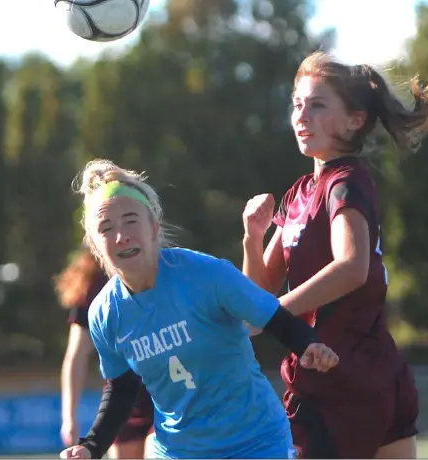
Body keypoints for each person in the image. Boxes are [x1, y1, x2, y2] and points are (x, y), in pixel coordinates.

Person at [242, 51, 428, 459]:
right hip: (356, 376)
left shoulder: (345, 181)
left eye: (317, 104)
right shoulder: (298, 194)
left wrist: (273, 316)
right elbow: (258, 293)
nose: (301, 115)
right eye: (297, 105)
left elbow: (351, 267)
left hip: (340, 383)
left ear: (355, 120)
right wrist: (252, 239)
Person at [59, 159, 339, 460]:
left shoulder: (206, 274)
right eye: (106, 227)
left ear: (153, 226)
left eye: (130, 220)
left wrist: (307, 344)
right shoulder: (104, 313)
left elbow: (273, 317)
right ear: (95, 245)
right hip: (180, 452)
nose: (120, 235)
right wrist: (90, 447)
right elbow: (122, 390)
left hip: (256, 442)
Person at [55, 249, 155, 459]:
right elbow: (76, 355)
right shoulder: (94, 287)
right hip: (125, 403)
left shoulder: (164, 270)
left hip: (168, 397)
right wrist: (69, 416)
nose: (120, 237)